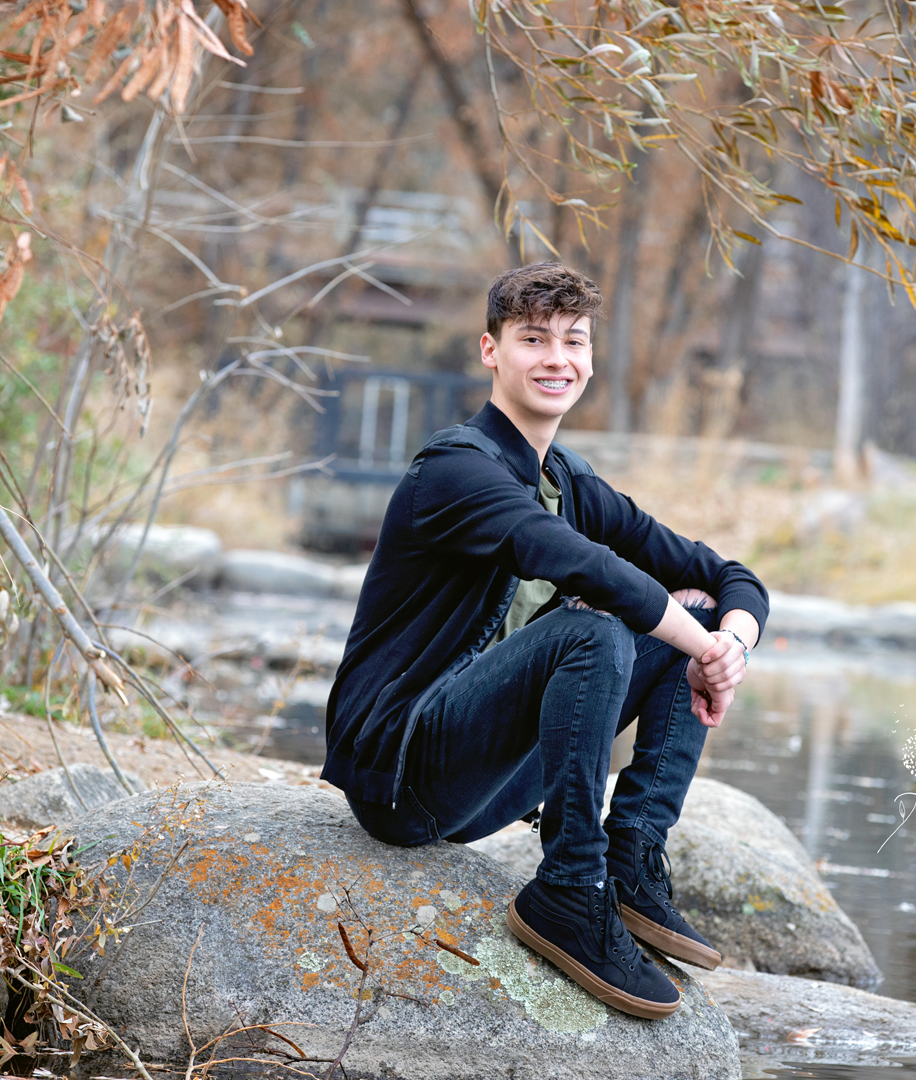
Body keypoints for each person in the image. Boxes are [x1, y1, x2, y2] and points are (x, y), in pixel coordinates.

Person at [323, 262, 769, 1019]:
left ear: (590, 358)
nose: (556, 358)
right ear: (491, 351)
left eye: (574, 340)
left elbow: (726, 575)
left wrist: (730, 644)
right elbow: (584, 567)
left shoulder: (568, 480)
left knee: (690, 610)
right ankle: (570, 885)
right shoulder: (455, 470)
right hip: (405, 777)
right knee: (597, 628)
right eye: (533, 339)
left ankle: (630, 859)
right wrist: (701, 645)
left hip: (493, 780)